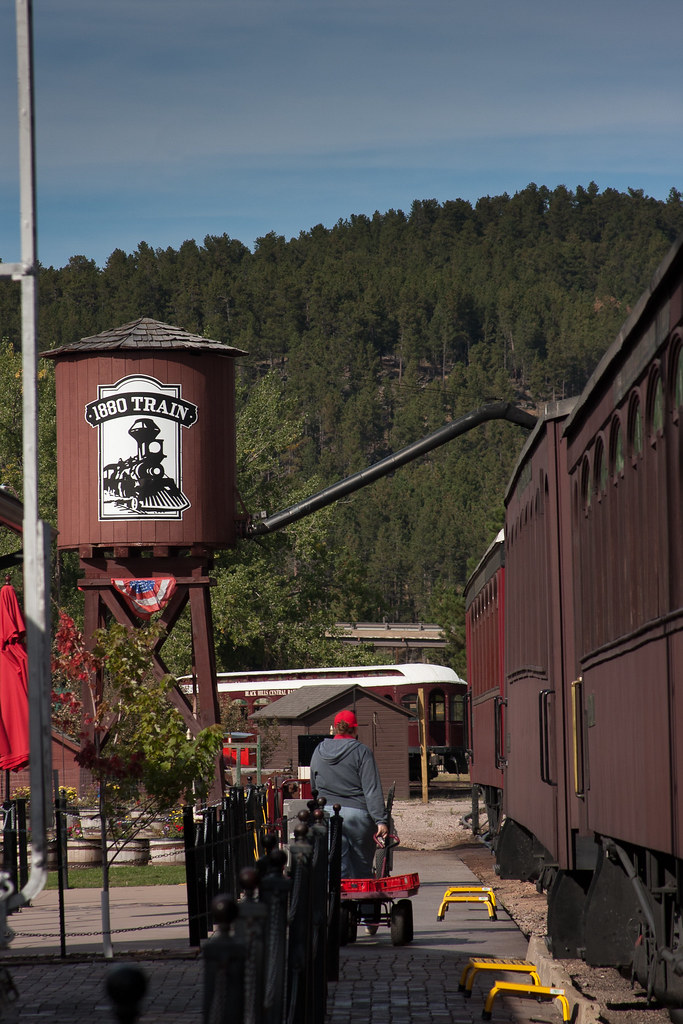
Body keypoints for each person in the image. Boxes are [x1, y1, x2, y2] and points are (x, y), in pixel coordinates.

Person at [309, 709, 388, 878]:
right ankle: (361, 903)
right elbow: (371, 789)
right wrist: (380, 820)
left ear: (335, 728)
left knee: (336, 869)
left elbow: (314, 786)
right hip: (358, 815)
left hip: (327, 813)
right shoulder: (362, 752)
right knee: (361, 871)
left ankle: (338, 902)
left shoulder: (319, 750)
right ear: (355, 729)